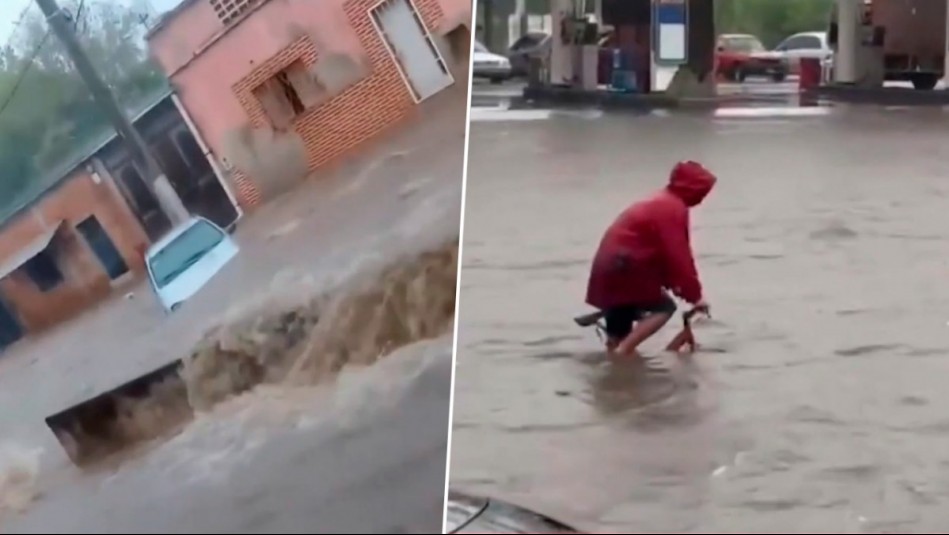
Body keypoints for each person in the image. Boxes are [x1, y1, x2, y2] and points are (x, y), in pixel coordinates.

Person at [585, 161, 716, 357]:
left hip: (609, 266)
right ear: (693, 189)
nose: (702, 199)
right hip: (626, 267)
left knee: (618, 335)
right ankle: (623, 353)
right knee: (664, 308)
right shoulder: (672, 208)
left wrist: (678, 287)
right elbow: (679, 256)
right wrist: (695, 296)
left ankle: (617, 362)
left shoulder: (659, 200)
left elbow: (661, 255)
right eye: (703, 192)